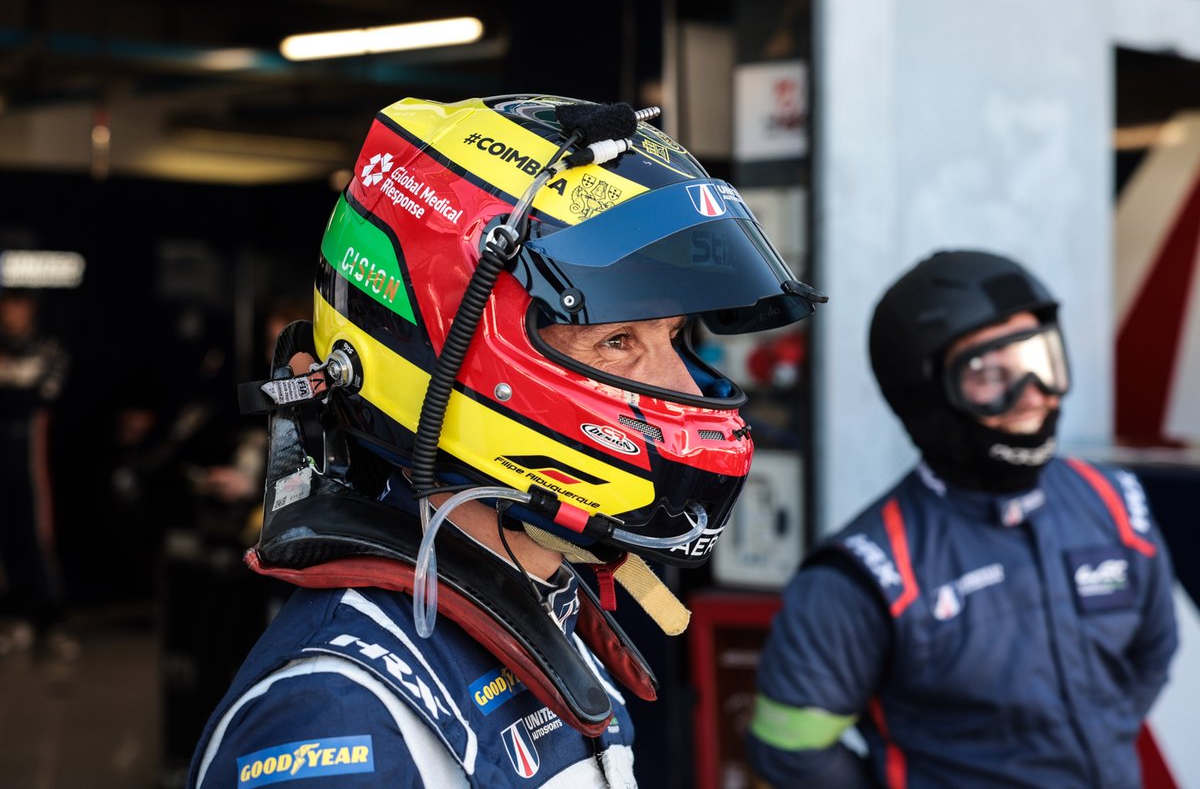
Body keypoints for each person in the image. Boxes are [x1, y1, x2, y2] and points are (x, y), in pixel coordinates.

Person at [186, 95, 826, 787]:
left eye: (671, 338)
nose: (690, 391)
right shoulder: (340, 717)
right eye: (617, 340)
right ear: (457, 356)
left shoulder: (550, 616)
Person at [746, 249, 1178, 788]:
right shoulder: (865, 574)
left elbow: (1153, 655)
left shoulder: (1114, 502)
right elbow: (788, 748)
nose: (1033, 397)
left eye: (1041, 361)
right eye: (992, 374)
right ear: (927, 393)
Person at [0, 288, 72, 658]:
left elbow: (43, 391)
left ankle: (51, 620)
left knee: (37, 532)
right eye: (6, 306)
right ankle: (16, 618)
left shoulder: (48, 348)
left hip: (35, 454)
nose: (11, 314)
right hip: (4, 454)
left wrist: (12, 378)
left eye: (18, 306)